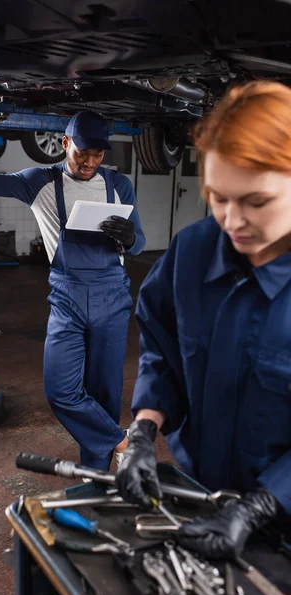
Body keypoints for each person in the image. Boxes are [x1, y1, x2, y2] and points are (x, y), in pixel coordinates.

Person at [117, 80, 291, 559]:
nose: (233, 220)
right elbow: (164, 348)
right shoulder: (192, 251)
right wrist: (143, 432)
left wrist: (263, 504)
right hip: (203, 499)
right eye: (218, 197)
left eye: (256, 202)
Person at [0, 99, 146, 471]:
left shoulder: (118, 185)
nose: (90, 163)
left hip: (112, 296)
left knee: (105, 393)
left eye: (97, 155)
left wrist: (129, 237)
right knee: (61, 390)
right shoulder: (39, 183)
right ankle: (119, 440)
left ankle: (97, 477)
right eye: (83, 153)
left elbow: (140, 242)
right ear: (65, 144)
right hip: (67, 296)